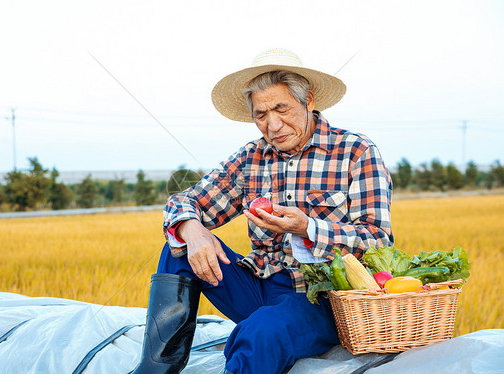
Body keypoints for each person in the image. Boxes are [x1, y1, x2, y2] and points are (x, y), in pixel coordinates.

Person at [132, 48, 394, 374]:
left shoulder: (355, 152)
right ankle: (155, 370)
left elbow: (379, 240)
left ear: (309, 100)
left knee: (261, 333)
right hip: (259, 287)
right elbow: (182, 202)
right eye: (261, 115)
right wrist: (193, 230)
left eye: (282, 108)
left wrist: (309, 228)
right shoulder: (251, 158)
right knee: (180, 248)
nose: (272, 125)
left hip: (325, 302)